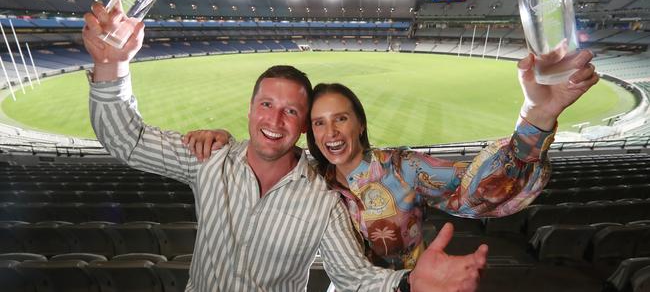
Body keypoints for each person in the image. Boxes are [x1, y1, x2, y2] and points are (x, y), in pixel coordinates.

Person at [82, 0, 488, 292]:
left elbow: (353, 276)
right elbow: (126, 139)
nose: (275, 119)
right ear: (250, 109)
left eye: (291, 111)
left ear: (303, 126)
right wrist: (111, 65)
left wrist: (409, 284)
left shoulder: (325, 195)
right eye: (266, 105)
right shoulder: (209, 157)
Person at [185, 41, 598, 270]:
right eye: (319, 123)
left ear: (359, 123)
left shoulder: (404, 169)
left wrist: (537, 115)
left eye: (340, 119)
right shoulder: (308, 175)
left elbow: (479, 193)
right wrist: (220, 138)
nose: (331, 133)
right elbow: (261, 157)